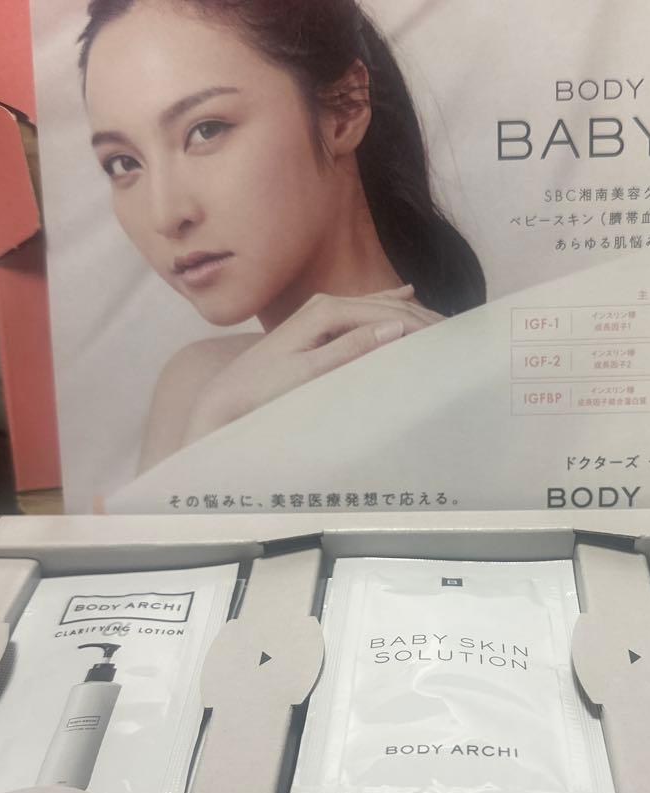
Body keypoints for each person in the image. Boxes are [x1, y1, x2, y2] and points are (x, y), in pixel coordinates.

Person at [79, 0, 485, 472]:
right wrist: (215, 424)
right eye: (123, 163)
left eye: (206, 130)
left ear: (345, 107)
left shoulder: (467, 386)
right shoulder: (199, 386)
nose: (166, 215)